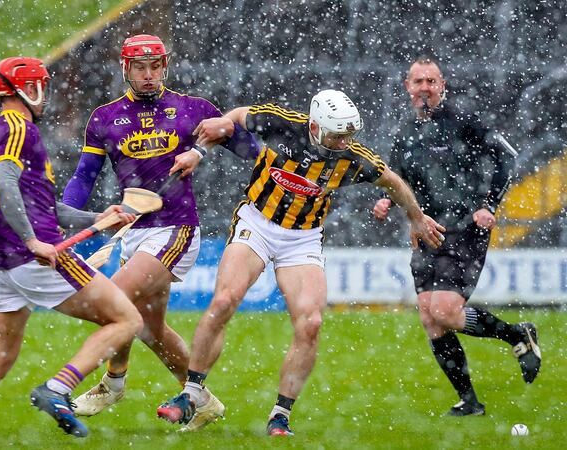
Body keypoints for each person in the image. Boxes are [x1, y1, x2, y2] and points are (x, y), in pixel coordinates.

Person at [157, 89, 447, 436]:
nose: (344, 142)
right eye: (338, 135)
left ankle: (280, 415)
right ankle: (191, 393)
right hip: (257, 223)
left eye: (349, 135)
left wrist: (416, 218)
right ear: (314, 126)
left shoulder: (355, 158)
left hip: (303, 238)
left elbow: (394, 183)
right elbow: (237, 116)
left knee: (310, 323)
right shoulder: (282, 124)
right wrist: (212, 136)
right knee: (223, 301)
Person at [0, 57, 142, 442]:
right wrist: (32, 241)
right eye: (41, 86)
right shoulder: (21, 130)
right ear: (28, 89)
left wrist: (99, 218)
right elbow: (5, 187)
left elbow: (48, 207)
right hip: (37, 256)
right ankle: (57, 388)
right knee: (127, 321)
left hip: (0, 263)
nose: (45, 94)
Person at [61, 34, 259, 430]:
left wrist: (201, 150)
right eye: (140, 67)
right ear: (125, 68)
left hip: (176, 229)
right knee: (151, 330)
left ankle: (113, 383)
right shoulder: (104, 117)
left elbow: (250, 148)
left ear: (165, 66)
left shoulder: (193, 109)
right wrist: (64, 216)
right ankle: (201, 400)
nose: (149, 75)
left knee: (112, 301)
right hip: (134, 231)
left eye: (155, 66)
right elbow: (84, 176)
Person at [372, 56, 541, 416]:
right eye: (418, 82)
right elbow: (398, 178)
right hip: (426, 232)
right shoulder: (405, 132)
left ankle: (516, 334)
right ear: (407, 87)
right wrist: (387, 199)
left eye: (431, 81)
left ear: (443, 85)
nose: (425, 88)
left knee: (446, 312)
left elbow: (506, 157)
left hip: (465, 228)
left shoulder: (462, 119)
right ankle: (470, 402)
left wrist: (489, 204)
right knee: (430, 318)